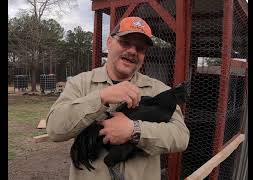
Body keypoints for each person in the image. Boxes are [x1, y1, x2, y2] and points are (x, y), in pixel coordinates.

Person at [46, 16, 190, 180]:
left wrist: (134, 130)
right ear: (109, 42)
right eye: (125, 42)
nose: (132, 51)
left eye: (140, 48)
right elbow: (54, 130)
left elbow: (181, 136)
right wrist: (101, 98)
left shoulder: (159, 89)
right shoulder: (80, 83)